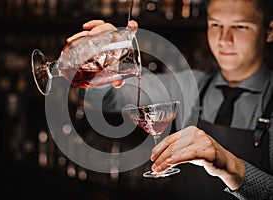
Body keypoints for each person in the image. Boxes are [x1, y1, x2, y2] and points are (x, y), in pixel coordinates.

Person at [67, 0, 273, 199]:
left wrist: (229, 164)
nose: (224, 39)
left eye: (240, 26)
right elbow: (109, 98)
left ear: (269, 31)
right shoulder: (187, 86)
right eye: (216, 24)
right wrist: (94, 61)